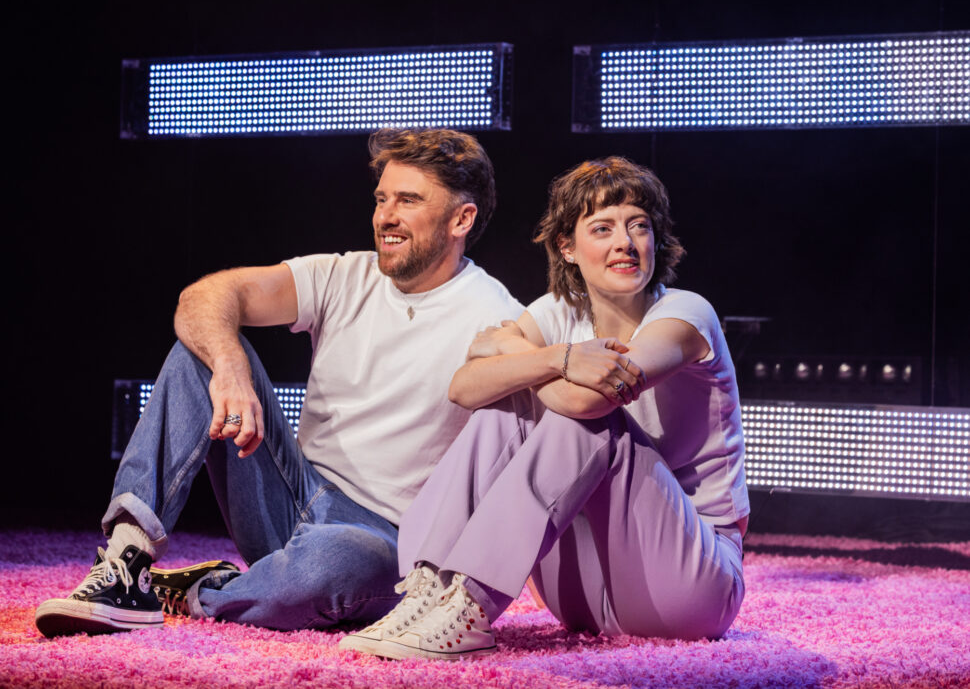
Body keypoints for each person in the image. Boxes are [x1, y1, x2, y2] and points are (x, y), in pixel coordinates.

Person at [34, 128, 523, 637]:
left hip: (381, 540)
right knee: (202, 348)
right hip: (292, 494)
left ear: (461, 219)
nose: (385, 216)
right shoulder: (341, 275)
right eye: (382, 199)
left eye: (408, 200)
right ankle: (126, 562)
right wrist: (230, 367)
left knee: (333, 564)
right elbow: (203, 298)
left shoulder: (499, 317)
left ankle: (206, 593)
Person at [339, 156, 749, 660]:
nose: (625, 242)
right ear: (567, 247)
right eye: (603, 228)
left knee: (586, 416)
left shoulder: (685, 314)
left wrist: (518, 353)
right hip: (580, 594)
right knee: (505, 405)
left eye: (639, 226)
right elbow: (464, 388)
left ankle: (473, 603)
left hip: (692, 585)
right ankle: (430, 585)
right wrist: (559, 359)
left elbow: (589, 400)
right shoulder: (557, 313)